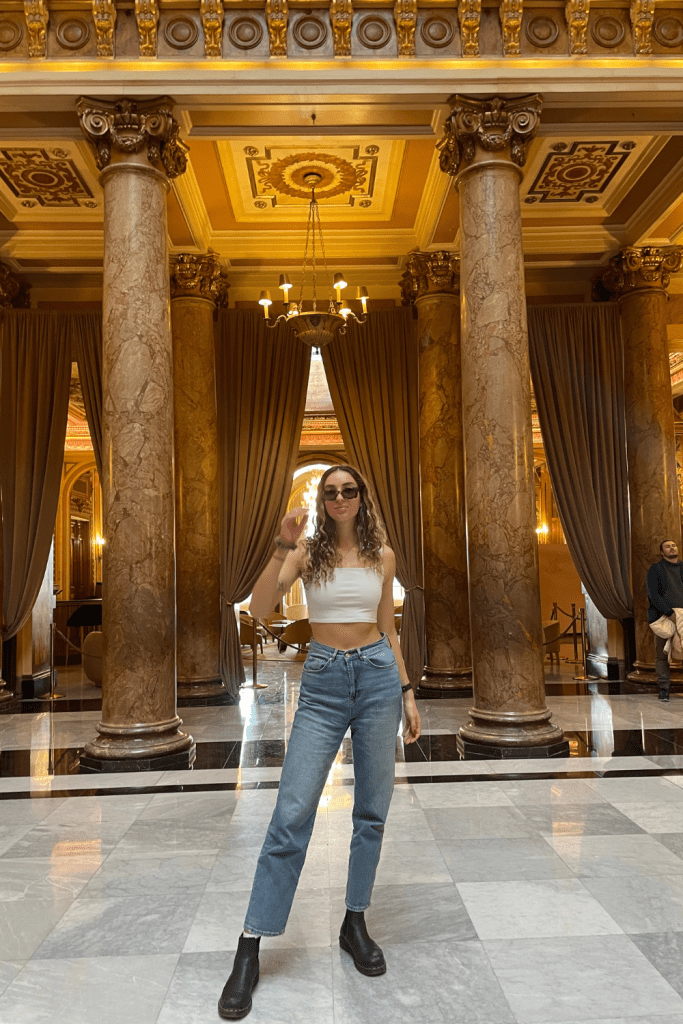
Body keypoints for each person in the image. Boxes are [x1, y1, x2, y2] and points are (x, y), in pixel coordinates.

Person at [218, 465, 421, 1020]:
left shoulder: (383, 557)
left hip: (379, 677)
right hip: (325, 681)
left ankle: (354, 923)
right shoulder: (306, 553)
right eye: (329, 491)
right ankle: (251, 944)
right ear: (321, 499)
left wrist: (406, 691)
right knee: (291, 811)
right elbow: (258, 609)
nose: (338, 498)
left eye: (348, 490)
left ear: (361, 498)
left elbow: (388, 629)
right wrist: (281, 544)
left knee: (372, 812)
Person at [646, 538, 683, 701]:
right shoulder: (655, 569)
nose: (672, 548)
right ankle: (663, 688)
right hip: (663, 617)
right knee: (662, 654)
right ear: (662, 552)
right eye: (667, 547)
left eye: (673, 545)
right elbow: (654, 595)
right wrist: (670, 613)